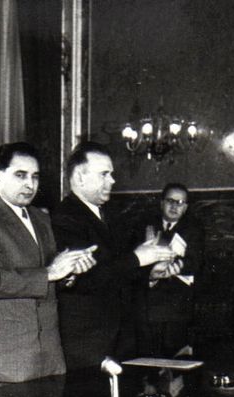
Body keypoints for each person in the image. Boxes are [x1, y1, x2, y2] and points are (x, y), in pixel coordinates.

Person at [0, 143, 96, 385]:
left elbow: (50, 277)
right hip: (6, 361)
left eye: (35, 176)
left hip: (50, 356)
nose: (30, 184)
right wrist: (51, 273)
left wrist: (69, 272)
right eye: (20, 175)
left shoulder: (41, 218)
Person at [50, 141, 176, 369]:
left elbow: (118, 269)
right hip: (88, 346)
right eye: (104, 174)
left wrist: (151, 273)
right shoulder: (64, 217)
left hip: (118, 341)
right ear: (79, 177)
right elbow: (87, 279)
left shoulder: (110, 215)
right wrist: (138, 259)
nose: (112, 181)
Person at [133, 183, 204, 357]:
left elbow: (197, 262)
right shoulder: (145, 226)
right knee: (146, 356)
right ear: (161, 203)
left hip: (176, 304)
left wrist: (178, 266)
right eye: (170, 201)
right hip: (147, 303)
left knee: (173, 356)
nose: (174, 206)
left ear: (185, 207)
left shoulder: (194, 229)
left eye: (180, 203)